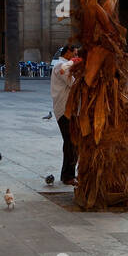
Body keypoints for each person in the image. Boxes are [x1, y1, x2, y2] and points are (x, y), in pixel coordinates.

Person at [50, 45, 79, 185]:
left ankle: (67, 174)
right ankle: (68, 175)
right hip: (64, 110)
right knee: (71, 142)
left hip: (67, 109)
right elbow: (73, 83)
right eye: (74, 53)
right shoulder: (61, 65)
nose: (75, 56)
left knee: (71, 142)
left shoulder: (62, 64)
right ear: (68, 52)